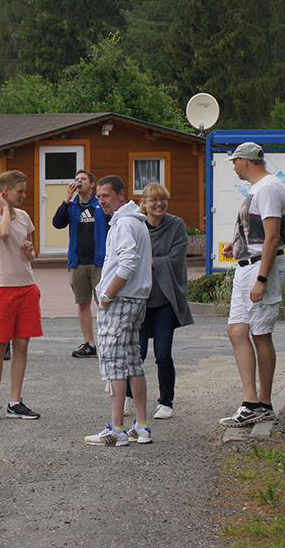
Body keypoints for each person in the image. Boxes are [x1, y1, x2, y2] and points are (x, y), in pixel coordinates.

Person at [219, 142, 285, 428]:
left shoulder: (269, 188)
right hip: (247, 265)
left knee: (260, 333)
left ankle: (262, 402)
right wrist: (237, 245)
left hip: (262, 268)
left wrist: (262, 278)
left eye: (235, 161)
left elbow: (273, 237)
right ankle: (250, 401)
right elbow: (259, 232)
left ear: (245, 161)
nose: (234, 166)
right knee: (237, 330)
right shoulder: (259, 188)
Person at [84, 175, 153, 447]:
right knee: (132, 360)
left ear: (121, 195)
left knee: (113, 362)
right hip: (136, 299)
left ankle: (116, 429)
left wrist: (106, 294)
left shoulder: (124, 223)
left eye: (106, 196)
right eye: (99, 196)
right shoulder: (134, 221)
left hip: (121, 300)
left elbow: (128, 261)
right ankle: (142, 425)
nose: (101, 201)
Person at [0, 169, 42, 422]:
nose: (24, 195)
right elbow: (3, 233)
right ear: (4, 192)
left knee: (22, 346)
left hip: (26, 286)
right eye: (20, 191)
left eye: (25, 190)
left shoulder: (25, 216)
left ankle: (15, 402)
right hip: (1, 288)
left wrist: (30, 251)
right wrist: (4, 208)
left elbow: (31, 254)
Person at [132, 183, 193, 420]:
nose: (159, 204)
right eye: (154, 200)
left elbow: (176, 258)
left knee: (164, 354)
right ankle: (129, 396)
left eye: (163, 200)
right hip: (140, 301)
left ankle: (166, 401)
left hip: (165, 300)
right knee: (137, 354)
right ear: (144, 203)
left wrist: (148, 261)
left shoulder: (176, 225)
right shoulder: (136, 225)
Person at [52, 169, 108, 358]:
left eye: (83, 179)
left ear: (92, 184)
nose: (78, 182)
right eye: (76, 179)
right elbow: (57, 223)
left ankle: (108, 341)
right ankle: (89, 343)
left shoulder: (100, 204)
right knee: (83, 304)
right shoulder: (73, 205)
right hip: (78, 263)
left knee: (105, 303)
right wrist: (66, 198)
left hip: (100, 263)